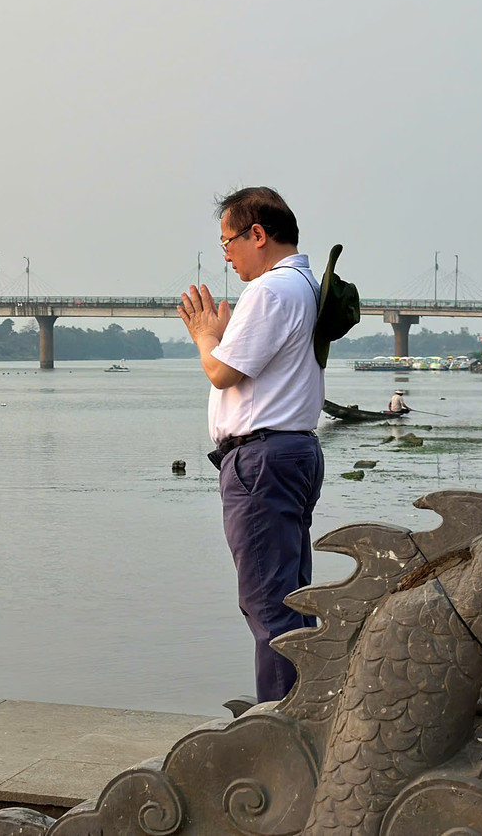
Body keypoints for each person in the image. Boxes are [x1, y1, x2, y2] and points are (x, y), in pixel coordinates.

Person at [177, 187, 325, 703]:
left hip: (261, 460)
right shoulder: (304, 284)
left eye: (228, 241)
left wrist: (203, 334)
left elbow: (221, 372)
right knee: (291, 596)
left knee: (269, 604)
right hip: (291, 452)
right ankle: (307, 711)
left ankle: (282, 732)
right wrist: (222, 333)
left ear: (257, 235)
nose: (225, 254)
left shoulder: (270, 291)